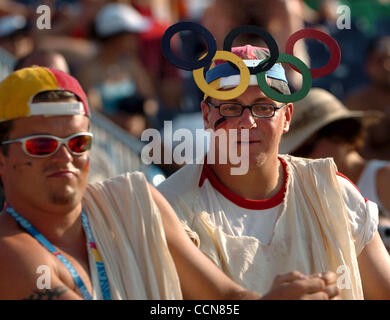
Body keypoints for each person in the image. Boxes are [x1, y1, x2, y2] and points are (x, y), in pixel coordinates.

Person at [0, 66, 339, 300]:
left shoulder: (135, 203)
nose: (65, 157)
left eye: (78, 143)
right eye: (41, 145)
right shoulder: (10, 252)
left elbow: (225, 297)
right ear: (3, 157)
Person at [157, 45, 390, 299]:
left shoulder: (333, 193)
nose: (247, 122)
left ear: (287, 116)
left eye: (264, 107)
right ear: (206, 116)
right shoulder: (170, 210)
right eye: (231, 107)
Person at [279, 87, 390, 245]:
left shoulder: (384, 178)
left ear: (338, 134)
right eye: (294, 153)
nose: (299, 159)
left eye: (305, 148)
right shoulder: (309, 190)